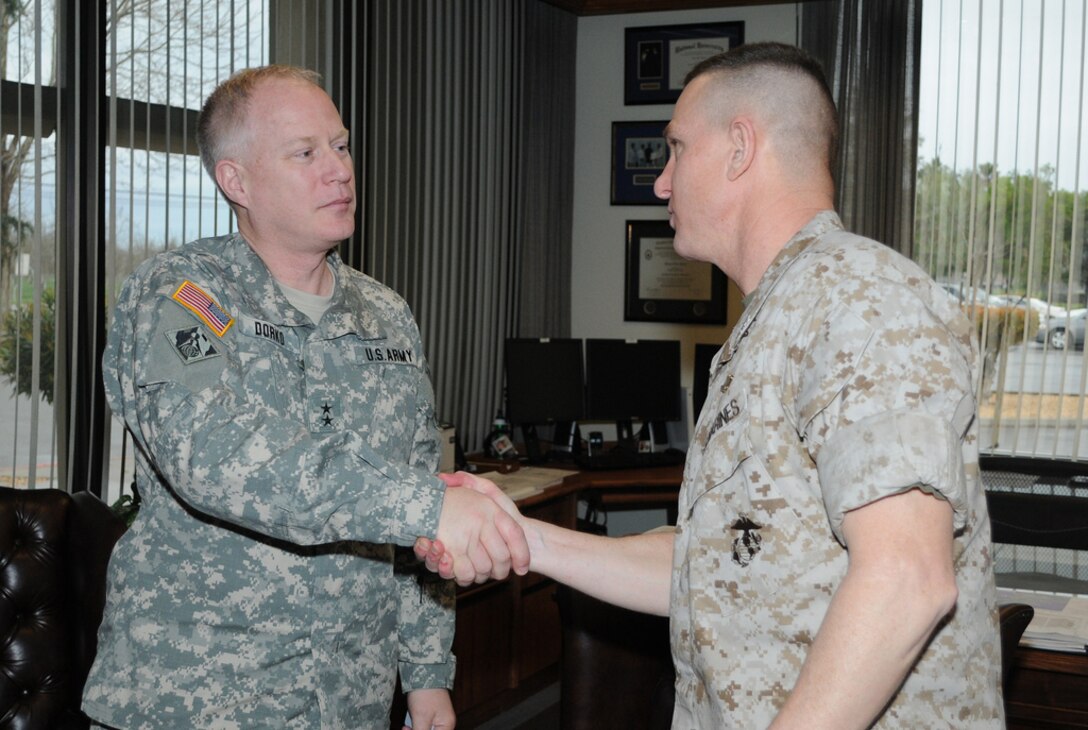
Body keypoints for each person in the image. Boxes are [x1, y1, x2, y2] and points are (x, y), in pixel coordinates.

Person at [420, 42, 1004, 728]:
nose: (661, 182)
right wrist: (523, 538)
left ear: (739, 147)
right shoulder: (772, 323)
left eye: (675, 149)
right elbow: (714, 568)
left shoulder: (857, 296)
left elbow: (906, 580)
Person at [82, 65, 529, 729]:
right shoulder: (181, 299)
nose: (339, 170)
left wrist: (428, 675)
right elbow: (222, 457)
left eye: (341, 146)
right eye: (305, 152)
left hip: (349, 700)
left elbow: (415, 493)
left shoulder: (386, 314)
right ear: (236, 180)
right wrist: (431, 507)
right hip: (197, 700)